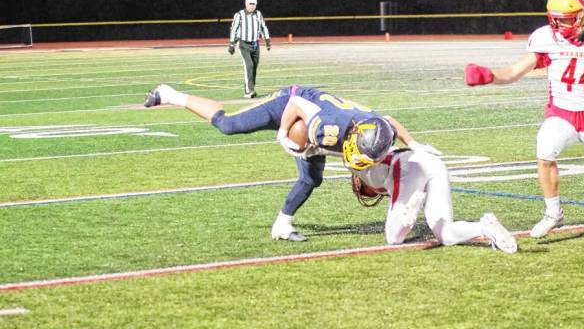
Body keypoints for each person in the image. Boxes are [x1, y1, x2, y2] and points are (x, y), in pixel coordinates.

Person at [144, 83, 440, 241]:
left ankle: (282, 225)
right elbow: (297, 107)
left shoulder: (377, 132)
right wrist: (285, 135)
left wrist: (414, 144)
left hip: (316, 124)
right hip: (289, 104)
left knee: (311, 178)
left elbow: (389, 121)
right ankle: (171, 94)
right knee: (228, 125)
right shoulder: (326, 129)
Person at [464, 0, 584, 237]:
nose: (559, 26)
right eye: (556, 20)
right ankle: (553, 213)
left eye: (566, 19)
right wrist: (489, 75)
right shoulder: (546, 39)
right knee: (545, 150)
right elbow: (515, 71)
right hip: (561, 113)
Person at [350, 147, 518, 253]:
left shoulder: (363, 167)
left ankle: (410, 212)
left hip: (408, 166)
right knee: (446, 234)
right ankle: (485, 226)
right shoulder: (370, 161)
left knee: (394, 238)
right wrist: (411, 141)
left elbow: (388, 120)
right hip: (433, 163)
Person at [228, 0, 271, 99]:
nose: (252, 6)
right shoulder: (239, 15)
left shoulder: (258, 14)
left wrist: (267, 40)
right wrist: (232, 44)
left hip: (255, 44)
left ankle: (252, 89)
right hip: (244, 44)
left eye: (253, 4)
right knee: (249, 65)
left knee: (254, 67)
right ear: (246, 4)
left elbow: (263, 27)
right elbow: (234, 29)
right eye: (250, 4)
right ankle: (248, 91)